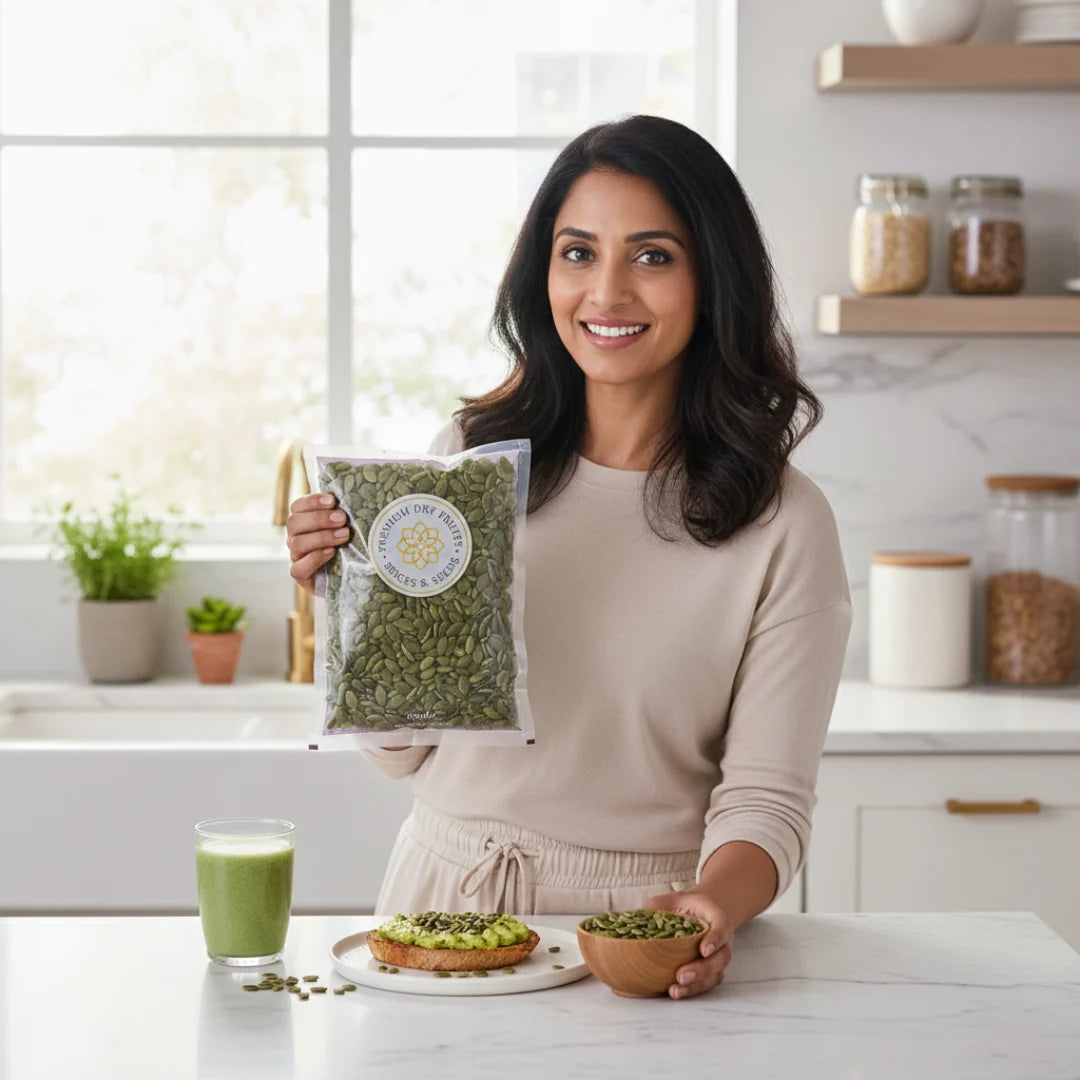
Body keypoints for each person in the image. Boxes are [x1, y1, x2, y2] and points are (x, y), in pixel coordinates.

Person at [286, 114, 851, 1000]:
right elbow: (404, 753)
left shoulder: (782, 522)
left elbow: (767, 803)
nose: (607, 292)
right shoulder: (470, 466)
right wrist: (354, 603)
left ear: (715, 279)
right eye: (578, 252)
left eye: (653, 256)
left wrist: (711, 904)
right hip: (443, 901)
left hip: (642, 934)